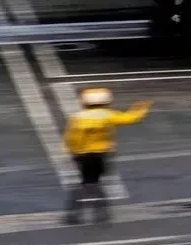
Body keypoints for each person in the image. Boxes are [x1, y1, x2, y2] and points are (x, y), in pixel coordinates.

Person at [63, 88, 152, 224]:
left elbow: (71, 138)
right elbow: (130, 118)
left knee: (88, 181)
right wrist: (141, 108)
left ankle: (77, 211)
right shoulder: (107, 115)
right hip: (100, 154)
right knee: (92, 182)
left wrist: (73, 152)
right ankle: (96, 211)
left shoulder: (77, 117)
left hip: (81, 155)